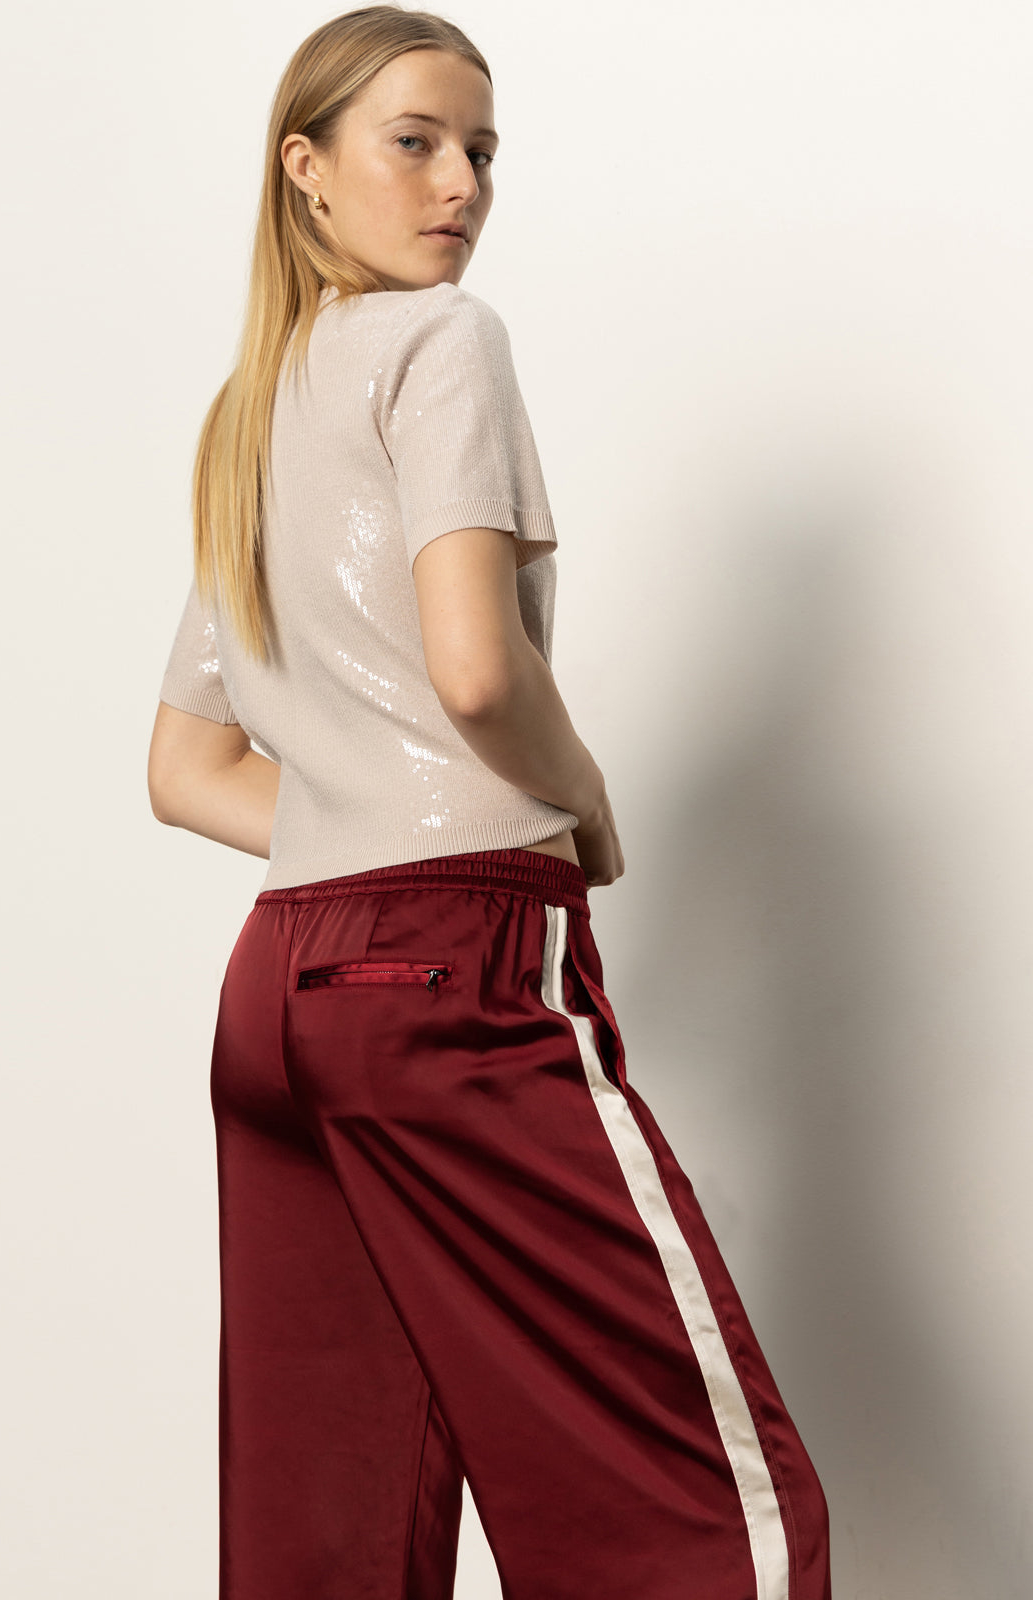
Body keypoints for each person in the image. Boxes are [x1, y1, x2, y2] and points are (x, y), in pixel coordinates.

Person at [147, 8, 832, 1598]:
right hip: (450, 970)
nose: (459, 183)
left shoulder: (252, 410)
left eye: (483, 151)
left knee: (330, 1531)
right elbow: (476, 671)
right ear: (304, 171)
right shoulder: (449, 344)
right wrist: (578, 797)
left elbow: (186, 770)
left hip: (279, 995)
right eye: (416, 143)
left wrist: (349, 832)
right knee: (709, 1517)